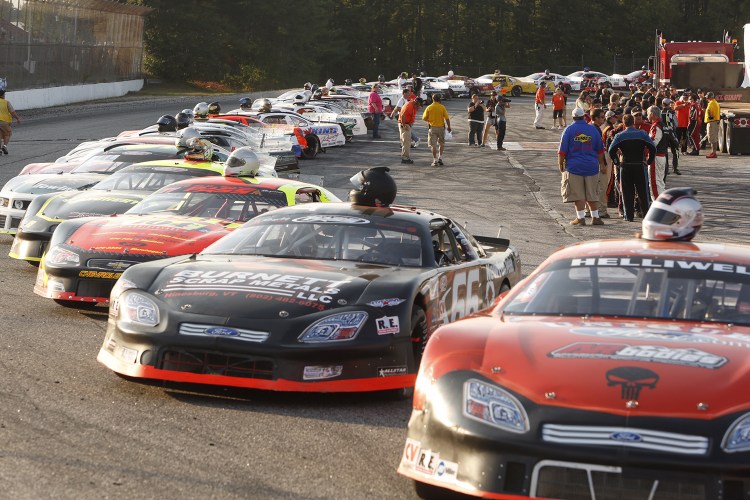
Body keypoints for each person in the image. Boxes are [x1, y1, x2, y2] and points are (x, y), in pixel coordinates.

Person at [558, 107, 607, 226]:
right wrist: (602, 164)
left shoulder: (568, 130)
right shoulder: (593, 130)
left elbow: (562, 151)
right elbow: (600, 150)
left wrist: (561, 165)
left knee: (578, 193)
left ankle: (581, 218)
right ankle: (595, 217)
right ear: (585, 117)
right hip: (591, 166)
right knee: (592, 192)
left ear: (573, 117)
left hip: (574, 167)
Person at [608, 113, 656, 222]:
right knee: (643, 191)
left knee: (627, 192)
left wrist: (616, 161)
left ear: (624, 124)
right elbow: (652, 147)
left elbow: (611, 150)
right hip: (639, 164)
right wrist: (649, 161)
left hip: (626, 165)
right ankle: (646, 215)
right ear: (633, 122)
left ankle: (628, 216)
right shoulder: (642, 134)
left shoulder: (620, 136)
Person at [422, 93, 452, 166]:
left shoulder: (429, 107)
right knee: (441, 143)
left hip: (432, 128)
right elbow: (447, 118)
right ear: (439, 99)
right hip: (441, 128)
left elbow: (424, 118)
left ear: (433, 99)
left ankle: (434, 160)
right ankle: (440, 158)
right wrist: (449, 126)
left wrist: (429, 120)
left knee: (433, 145)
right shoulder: (442, 107)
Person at [398, 97, 423, 164]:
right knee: (407, 142)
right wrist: (404, 125)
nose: (419, 108)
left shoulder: (412, 105)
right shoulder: (409, 106)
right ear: (416, 103)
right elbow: (403, 115)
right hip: (405, 124)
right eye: (419, 106)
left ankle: (405, 157)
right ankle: (405, 158)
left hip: (407, 123)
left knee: (406, 141)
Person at [0, 88, 21, 154]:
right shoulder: (6, 102)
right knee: (8, 134)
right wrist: (17, 118)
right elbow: (12, 112)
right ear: (2, 95)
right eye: (4, 94)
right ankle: (4, 146)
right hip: (4, 121)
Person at [704, 92, 721, 158]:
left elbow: (709, 112)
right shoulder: (715, 102)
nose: (706, 98)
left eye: (707, 97)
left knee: (712, 138)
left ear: (710, 97)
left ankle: (713, 153)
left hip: (712, 122)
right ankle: (713, 152)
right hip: (714, 122)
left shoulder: (711, 103)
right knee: (714, 137)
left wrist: (710, 116)